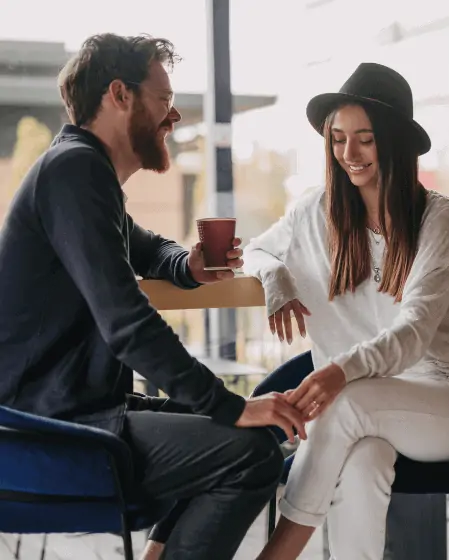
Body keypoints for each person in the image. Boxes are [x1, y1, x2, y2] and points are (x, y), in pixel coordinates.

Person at [0, 33, 309, 560]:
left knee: (242, 439)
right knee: (248, 455)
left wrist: (186, 265)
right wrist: (230, 406)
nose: (173, 118)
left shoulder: (79, 170)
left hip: (72, 411)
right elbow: (127, 322)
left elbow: (146, 246)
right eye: (164, 101)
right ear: (120, 95)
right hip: (50, 430)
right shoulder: (74, 171)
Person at [243, 62, 449, 560]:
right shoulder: (315, 211)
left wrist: (339, 372)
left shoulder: (439, 219)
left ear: (394, 141)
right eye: (337, 138)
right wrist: (276, 278)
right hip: (365, 408)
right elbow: (258, 250)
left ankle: (276, 555)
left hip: (446, 398)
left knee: (346, 405)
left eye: (364, 139)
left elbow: (414, 330)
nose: (347, 154)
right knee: (362, 463)